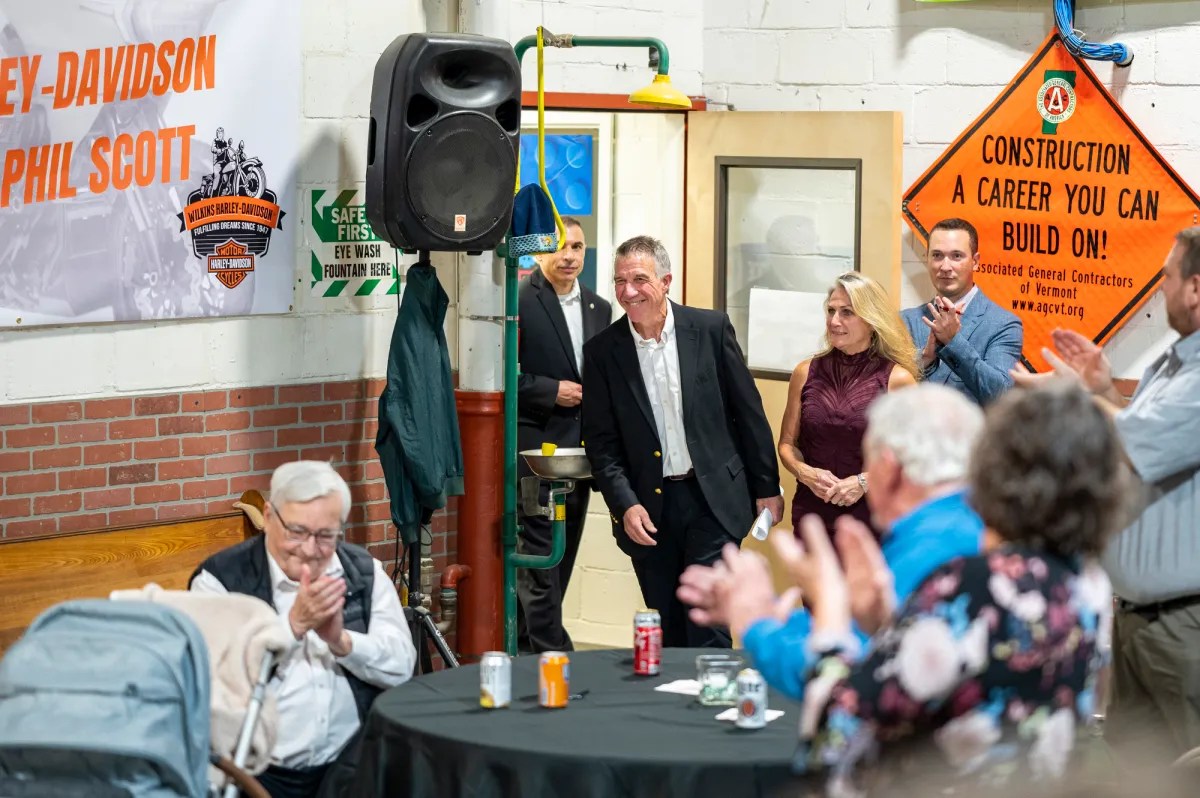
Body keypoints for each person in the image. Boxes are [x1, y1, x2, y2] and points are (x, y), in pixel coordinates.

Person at [723, 381, 1123, 795]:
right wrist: (883, 625)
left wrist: (813, 617)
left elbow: (842, 738)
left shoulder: (974, 584)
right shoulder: (1088, 583)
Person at [1013, 227, 1200, 787]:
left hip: (1185, 623)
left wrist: (1076, 399)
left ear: (1195, 288)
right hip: (1141, 617)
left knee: (1189, 771)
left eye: (1167, 277)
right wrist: (1102, 389)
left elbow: (1134, 443)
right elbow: (1143, 430)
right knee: (1138, 776)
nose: (1160, 288)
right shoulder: (1174, 362)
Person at [679, 384, 985, 699]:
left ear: (888, 468)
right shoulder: (965, 526)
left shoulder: (930, 548)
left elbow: (842, 678)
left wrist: (755, 622)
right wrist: (781, 617)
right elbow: (857, 629)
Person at [582, 235, 782, 648]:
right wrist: (624, 503)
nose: (628, 291)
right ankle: (676, 690)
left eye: (640, 279)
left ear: (666, 281)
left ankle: (713, 690)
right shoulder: (603, 351)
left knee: (707, 620)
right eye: (620, 281)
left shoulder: (709, 330)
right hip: (650, 506)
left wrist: (767, 486)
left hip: (714, 498)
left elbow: (748, 411)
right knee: (668, 623)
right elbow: (601, 444)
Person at [190, 461, 416, 798]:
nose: (310, 549)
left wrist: (341, 642)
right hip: (255, 774)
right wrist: (291, 627)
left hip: (350, 767)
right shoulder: (219, 582)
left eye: (325, 535)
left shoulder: (364, 574)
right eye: (296, 532)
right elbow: (211, 684)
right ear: (269, 517)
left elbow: (401, 668)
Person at [517, 216, 612, 652]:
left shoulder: (599, 308)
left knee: (565, 553)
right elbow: (501, 376)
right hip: (536, 449)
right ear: (541, 252)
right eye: (560, 246)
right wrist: (549, 390)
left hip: (581, 454)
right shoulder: (520, 300)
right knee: (541, 558)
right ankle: (552, 651)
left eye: (577, 247)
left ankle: (532, 644)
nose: (569, 256)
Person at [779, 272, 919, 537]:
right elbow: (786, 444)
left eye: (847, 312)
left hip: (872, 515)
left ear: (871, 319)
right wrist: (805, 473)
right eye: (831, 311)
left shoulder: (897, 379)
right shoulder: (805, 372)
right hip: (812, 513)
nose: (834, 321)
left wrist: (863, 482)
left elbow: (914, 454)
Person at [901, 217, 1023, 404]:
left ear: (975, 261)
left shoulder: (1003, 324)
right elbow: (884, 389)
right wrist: (925, 360)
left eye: (956, 256)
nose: (945, 267)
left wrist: (953, 342)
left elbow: (1001, 395)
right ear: (927, 259)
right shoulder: (906, 320)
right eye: (937, 255)